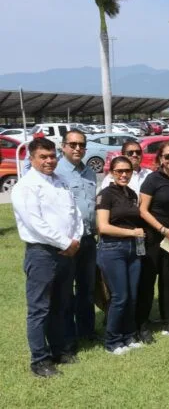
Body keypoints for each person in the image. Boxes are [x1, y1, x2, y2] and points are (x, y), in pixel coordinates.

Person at [12, 138, 82, 378]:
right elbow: (35, 222)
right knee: (39, 309)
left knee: (61, 306)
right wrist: (65, 242)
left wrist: (76, 238)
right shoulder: (26, 186)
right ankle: (40, 361)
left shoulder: (60, 182)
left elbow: (75, 214)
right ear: (31, 158)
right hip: (42, 254)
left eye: (52, 156)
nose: (49, 161)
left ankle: (59, 350)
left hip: (67, 253)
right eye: (43, 157)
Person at [137, 141, 169, 341]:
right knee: (147, 281)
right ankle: (142, 325)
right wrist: (162, 229)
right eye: (168, 156)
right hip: (154, 236)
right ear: (160, 158)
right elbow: (142, 210)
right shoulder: (152, 180)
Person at [95, 156, 146, 354]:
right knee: (120, 296)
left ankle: (128, 336)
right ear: (112, 172)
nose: (124, 174)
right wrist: (132, 233)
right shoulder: (106, 194)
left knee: (132, 295)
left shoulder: (132, 194)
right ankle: (112, 341)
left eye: (128, 171)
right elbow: (103, 226)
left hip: (133, 249)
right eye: (119, 171)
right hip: (112, 249)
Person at [55, 130, 98, 346]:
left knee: (86, 288)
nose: (77, 148)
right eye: (72, 144)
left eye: (81, 144)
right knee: (65, 290)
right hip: (67, 241)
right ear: (63, 146)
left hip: (89, 239)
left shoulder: (90, 172)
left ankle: (87, 331)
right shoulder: (56, 172)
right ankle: (67, 335)